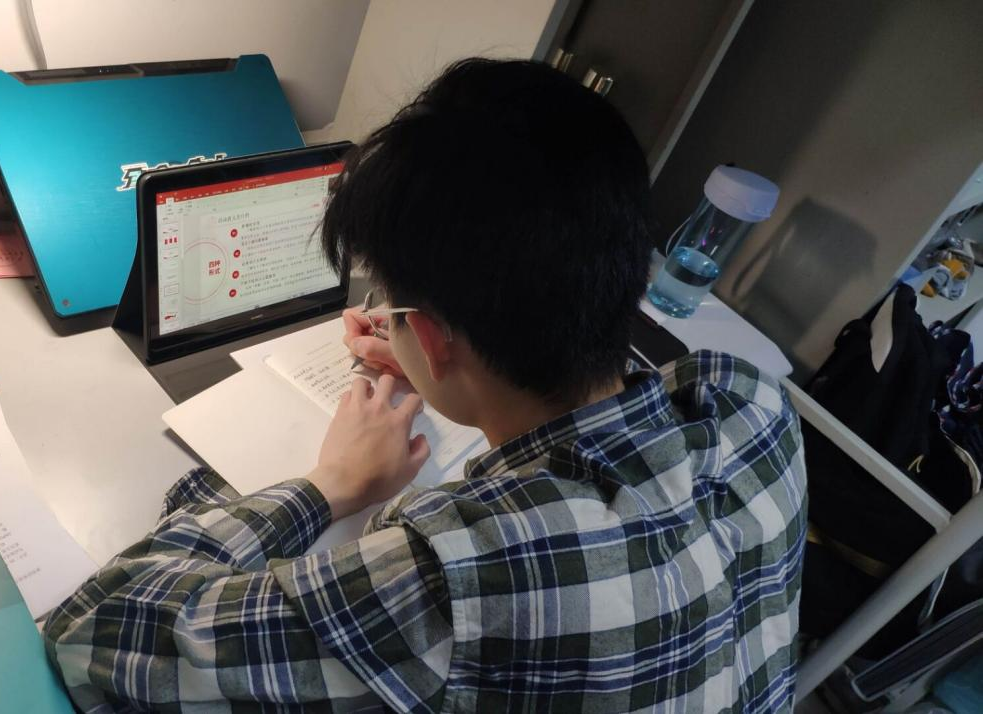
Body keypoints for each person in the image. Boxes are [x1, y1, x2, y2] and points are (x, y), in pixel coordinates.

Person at [43, 58, 807, 712]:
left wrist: (329, 485)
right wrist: (433, 344)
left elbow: (92, 633)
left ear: (435, 340)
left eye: (390, 303)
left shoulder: (458, 573)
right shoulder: (745, 398)